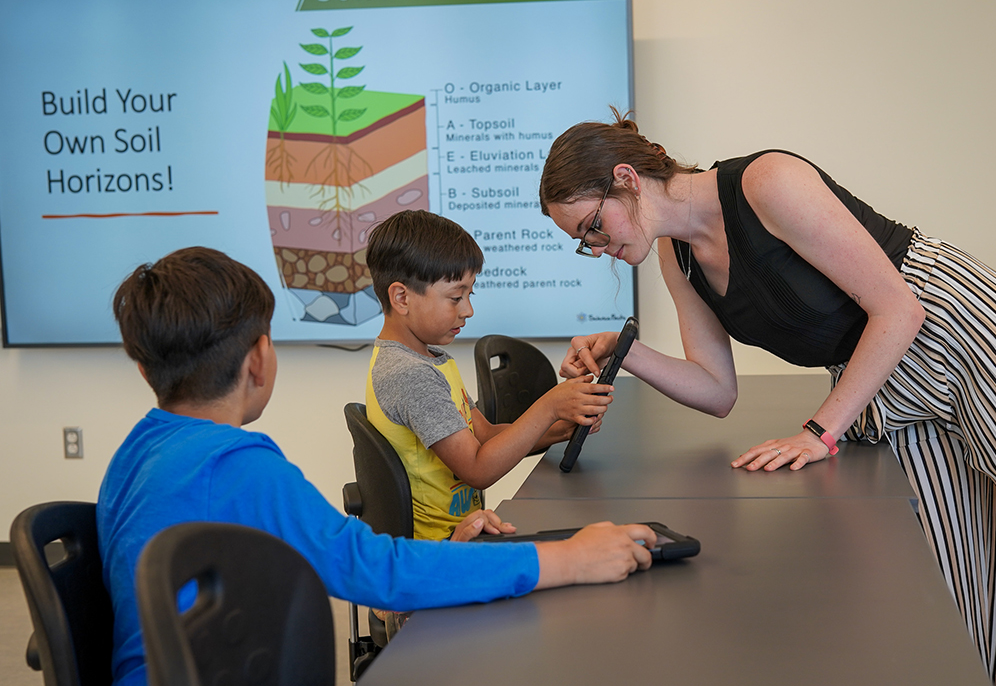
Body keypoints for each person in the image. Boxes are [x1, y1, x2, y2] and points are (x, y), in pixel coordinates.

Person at [539, 111, 996, 686]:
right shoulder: (679, 255)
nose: (594, 248)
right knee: (948, 588)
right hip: (883, 376)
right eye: (581, 242)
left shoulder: (766, 183)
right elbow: (716, 389)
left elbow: (899, 308)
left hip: (961, 328)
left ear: (625, 177)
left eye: (591, 227)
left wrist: (820, 432)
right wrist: (626, 354)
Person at [97, 246, 655, 686]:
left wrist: (447, 550)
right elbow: (372, 572)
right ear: (260, 360)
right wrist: (568, 559)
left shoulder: (136, 454)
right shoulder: (238, 467)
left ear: (146, 371)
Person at [364, 209, 615, 541]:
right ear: (401, 297)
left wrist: (562, 429)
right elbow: (478, 469)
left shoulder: (432, 361)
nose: (468, 310)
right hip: (440, 551)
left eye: (470, 294)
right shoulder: (410, 376)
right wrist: (549, 407)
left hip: (463, 534)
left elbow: (486, 436)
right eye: (456, 297)